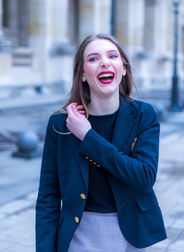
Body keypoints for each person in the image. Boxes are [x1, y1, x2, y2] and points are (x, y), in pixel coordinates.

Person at [35, 34, 167, 252]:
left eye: (112, 56)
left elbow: (144, 177)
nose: (104, 62)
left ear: (123, 69)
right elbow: (48, 197)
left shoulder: (144, 115)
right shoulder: (60, 124)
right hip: (81, 235)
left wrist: (88, 137)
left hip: (132, 234)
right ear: (83, 75)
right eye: (93, 58)